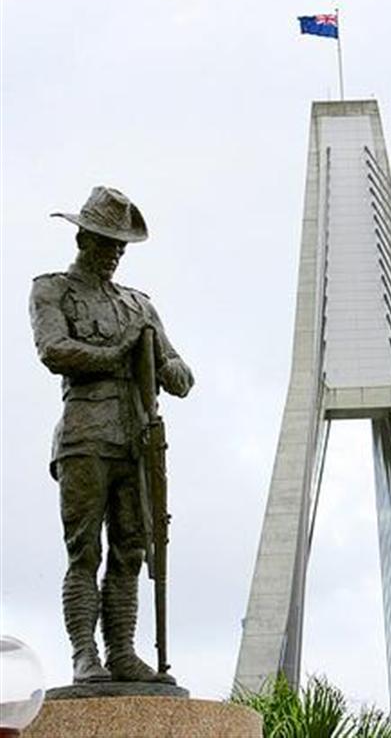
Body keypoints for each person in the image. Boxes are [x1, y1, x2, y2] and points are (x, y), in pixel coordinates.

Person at [29, 186, 194, 684]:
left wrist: (172, 368)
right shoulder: (52, 290)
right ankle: (85, 655)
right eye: (105, 243)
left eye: (120, 246)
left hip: (137, 440)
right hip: (85, 435)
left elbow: (177, 368)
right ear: (82, 238)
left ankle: (121, 651)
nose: (114, 255)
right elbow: (53, 350)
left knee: (132, 549)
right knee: (85, 550)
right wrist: (117, 353)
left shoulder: (138, 305)